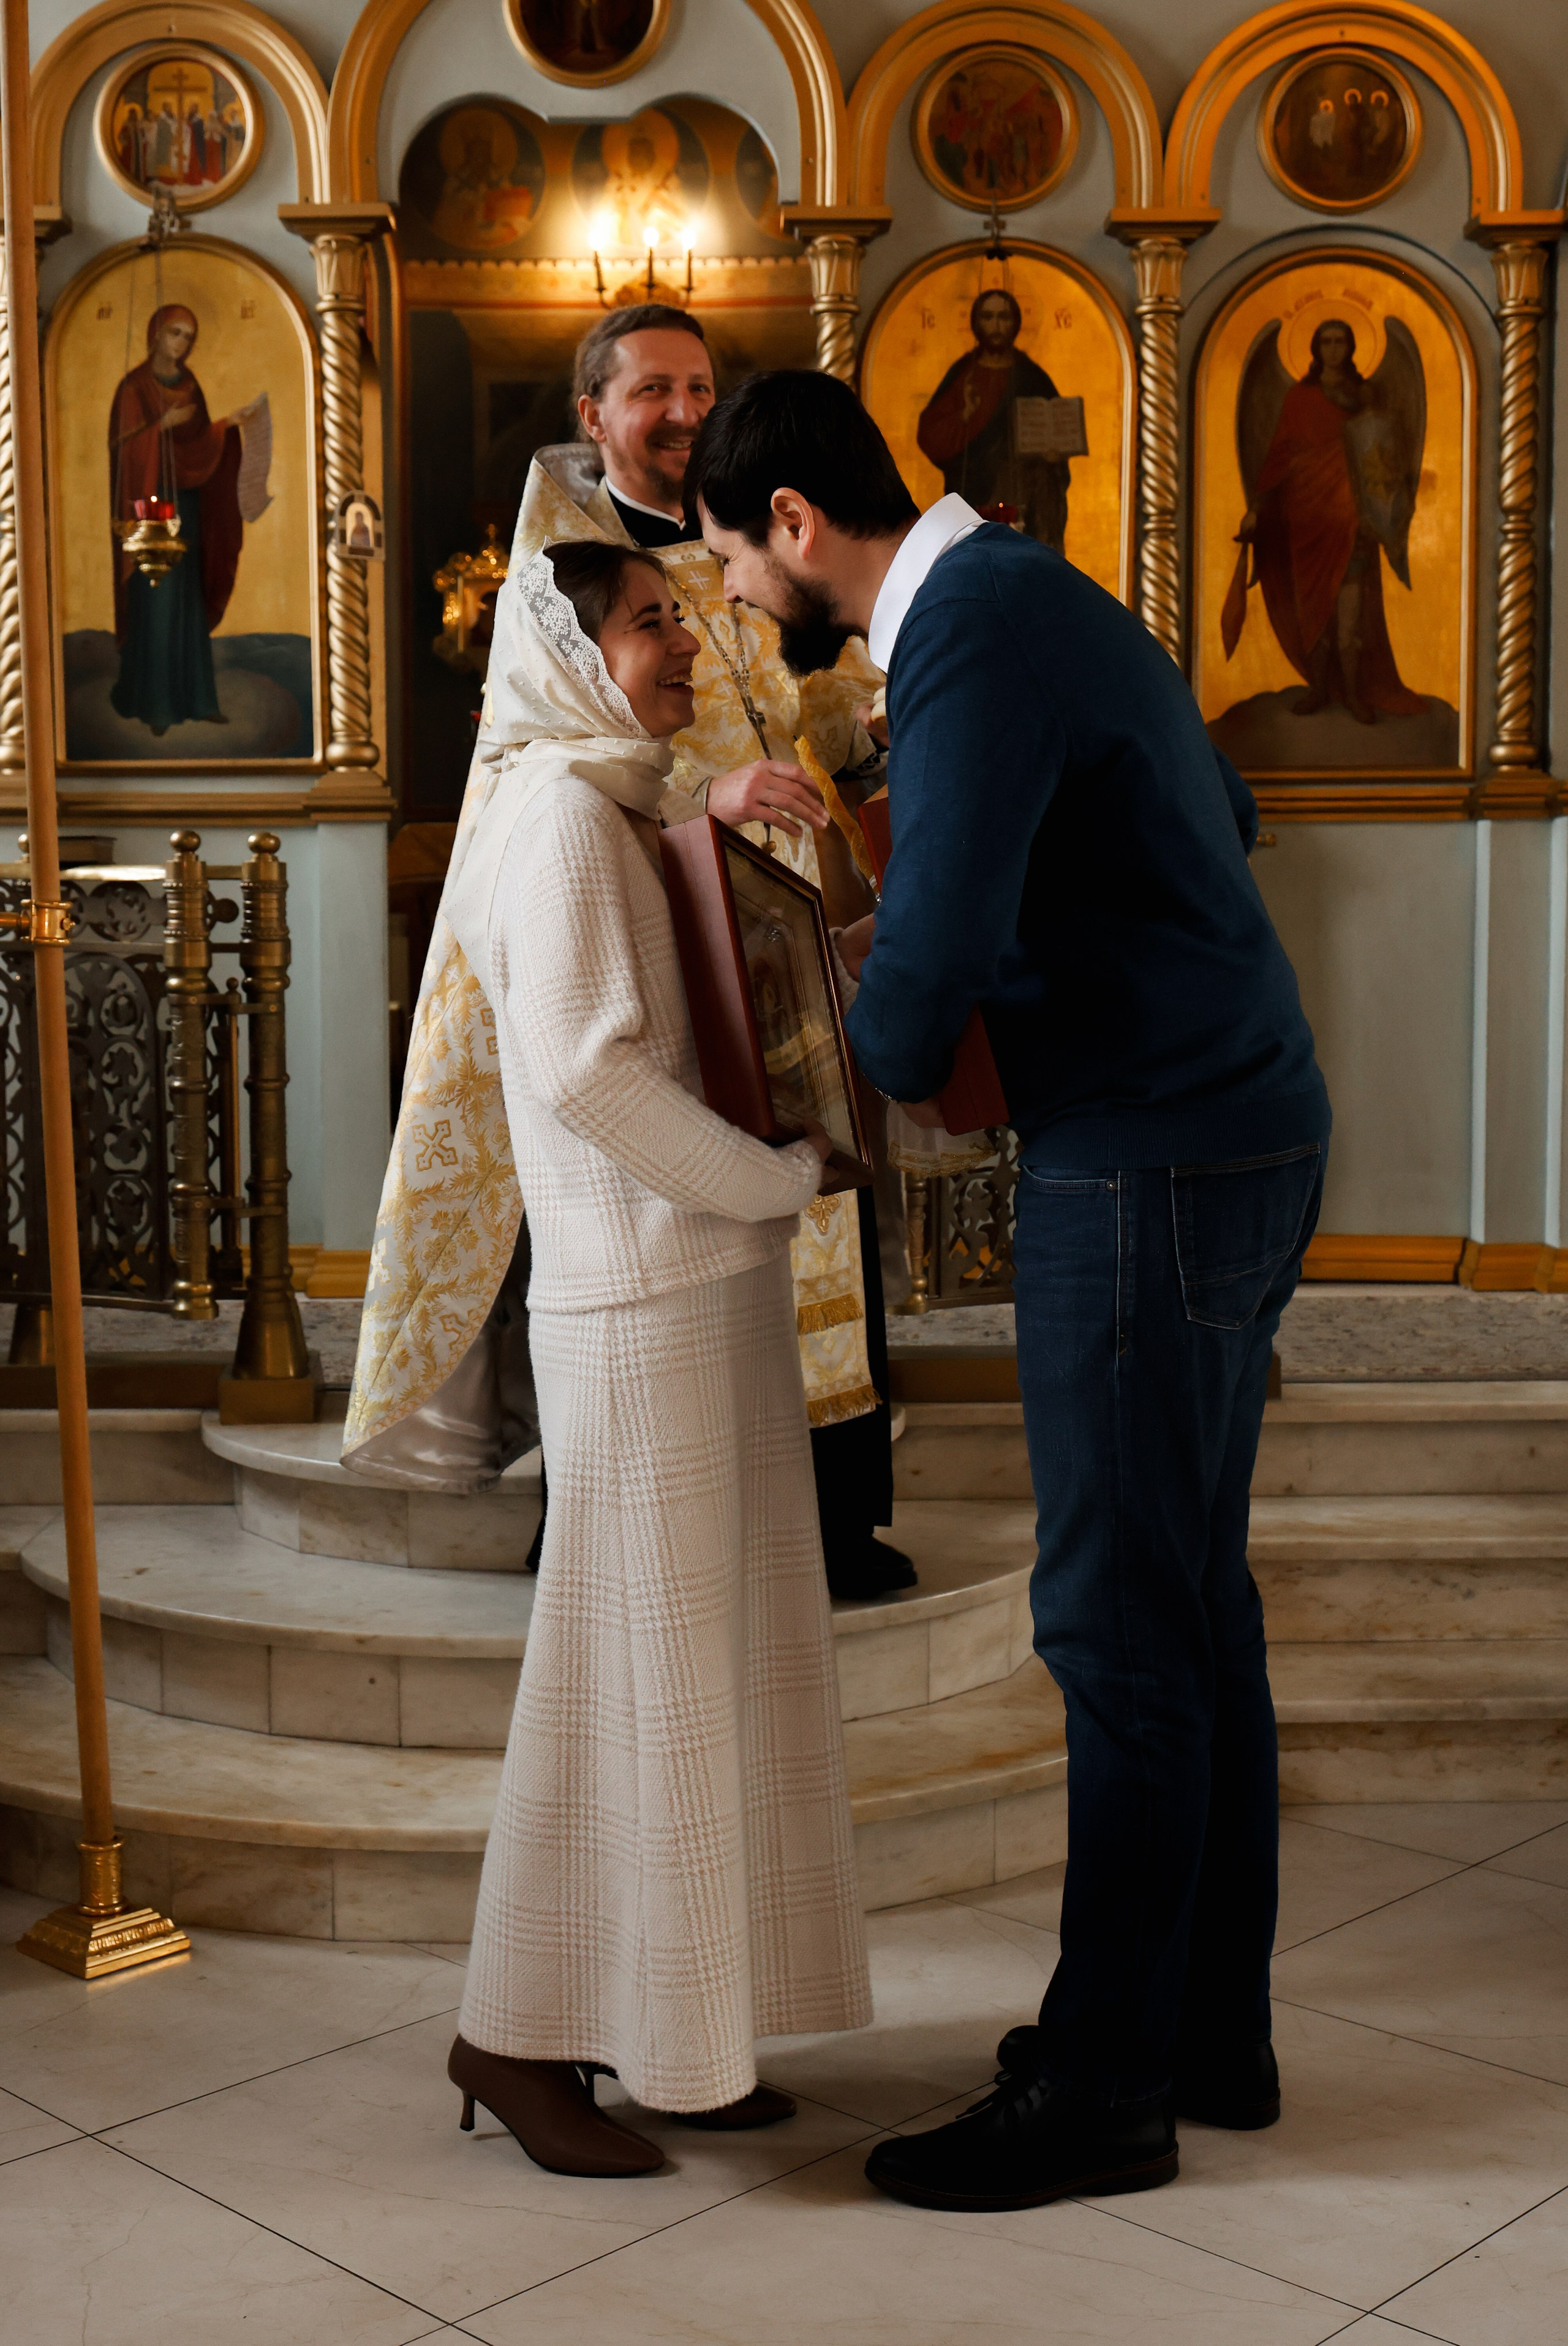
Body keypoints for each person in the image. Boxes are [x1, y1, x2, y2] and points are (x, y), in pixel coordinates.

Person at [688, 371, 1329, 2214]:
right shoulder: (1035, 586)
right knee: (1190, 1602)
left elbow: (918, 998)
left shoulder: (962, 626)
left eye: (734, 557)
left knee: (1116, 1624)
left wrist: (843, 994)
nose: (734, 594)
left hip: (1142, 1154)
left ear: (797, 523)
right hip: (1237, 1125)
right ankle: (1207, 2031)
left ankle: (1107, 2087)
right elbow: (1218, 803)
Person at [345, 303, 912, 1607]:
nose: (683, 409)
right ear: (591, 412)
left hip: (783, 920)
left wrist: (861, 723)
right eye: (652, 388)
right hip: (637, 936)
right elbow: (528, 775)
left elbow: (803, 699)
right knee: (644, 1208)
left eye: (702, 385)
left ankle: (828, 1523)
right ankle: (597, 1518)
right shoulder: (558, 578)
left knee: (815, 1194)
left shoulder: (761, 531)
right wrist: (686, 811)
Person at [439, 537, 869, 2174]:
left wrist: (709, 833)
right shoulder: (554, 816)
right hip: (641, 1303)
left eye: (681, 623)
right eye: (647, 628)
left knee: (700, 1684)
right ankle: (519, 2029)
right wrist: (777, 1183)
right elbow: (593, 1080)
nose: (682, 651)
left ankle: (680, 2028)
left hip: (699, 1289)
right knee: (620, 1682)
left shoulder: (604, 807)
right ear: (567, 650)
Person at [1238, 317, 1425, 725]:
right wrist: (1257, 506)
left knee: (1350, 615)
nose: (1335, 349)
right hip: (1305, 516)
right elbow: (1278, 456)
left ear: (1353, 346)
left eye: (1341, 341)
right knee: (1312, 611)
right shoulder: (1298, 399)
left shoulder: (1364, 395)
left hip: (1351, 517)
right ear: (1315, 348)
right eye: (1327, 341)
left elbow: (1380, 453)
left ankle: (1355, 693)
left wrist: (1384, 508)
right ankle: (1319, 689)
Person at [108, 304, 260, 735]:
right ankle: (155, 704)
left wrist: (229, 424)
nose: (180, 343)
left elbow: (198, 448)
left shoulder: (189, 384)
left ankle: (197, 699)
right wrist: (160, 426)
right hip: (149, 512)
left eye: (187, 337)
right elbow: (123, 452)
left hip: (187, 507)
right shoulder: (133, 387)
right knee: (157, 603)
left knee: (188, 601)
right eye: (175, 333)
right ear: (156, 334)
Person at [916, 288, 1070, 550]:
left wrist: (1054, 457)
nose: (996, 326)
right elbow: (931, 436)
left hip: (1028, 501)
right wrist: (965, 414)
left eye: (1004, 317)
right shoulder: (964, 374)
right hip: (975, 496)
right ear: (976, 323)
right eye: (988, 317)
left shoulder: (1033, 377)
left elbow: (1057, 435)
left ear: (1017, 323)